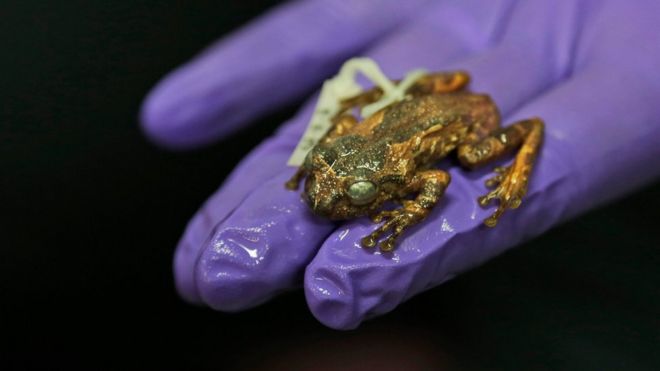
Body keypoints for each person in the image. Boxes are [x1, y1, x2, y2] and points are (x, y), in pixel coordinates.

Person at [140, 0, 660, 329]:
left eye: (359, 193)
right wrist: (321, 159)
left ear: (382, 185)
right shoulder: (347, 146)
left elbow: (435, 178)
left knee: (474, 158)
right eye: (327, 173)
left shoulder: (404, 174)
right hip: (426, 105)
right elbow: (343, 129)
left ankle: (522, 156)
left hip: (469, 119)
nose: (328, 197)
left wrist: (407, 213)